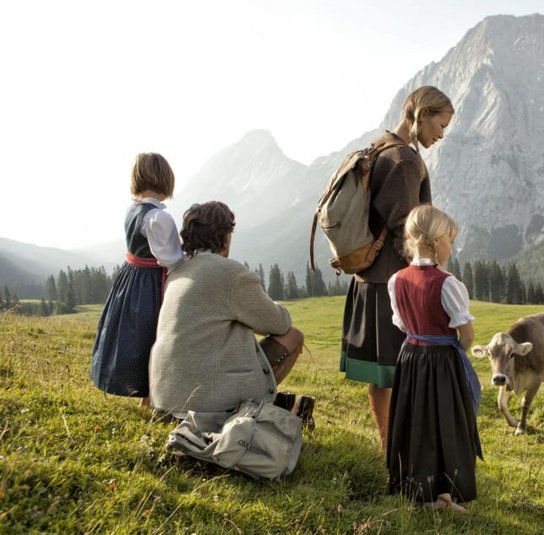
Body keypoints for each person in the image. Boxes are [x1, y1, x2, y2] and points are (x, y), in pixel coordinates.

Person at [340, 86, 455, 449]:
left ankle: (391, 445)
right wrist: (427, 279)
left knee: (384, 374)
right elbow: (408, 229)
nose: (441, 134)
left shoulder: (380, 145)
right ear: (422, 114)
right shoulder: (405, 160)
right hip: (392, 282)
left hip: (370, 279)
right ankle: (398, 449)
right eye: (441, 123)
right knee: (401, 371)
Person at [148, 201, 304, 417]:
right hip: (207, 402)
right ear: (226, 236)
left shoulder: (177, 273)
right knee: (293, 336)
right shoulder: (231, 273)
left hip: (165, 398)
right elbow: (280, 323)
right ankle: (256, 408)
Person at [386, 204, 482, 512]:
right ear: (438, 241)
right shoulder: (448, 284)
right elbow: (467, 336)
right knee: (446, 424)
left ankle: (421, 490)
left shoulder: (396, 279)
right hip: (441, 360)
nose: (451, 249)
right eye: (450, 242)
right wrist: (456, 354)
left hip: (411, 357)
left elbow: (401, 323)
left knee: (416, 422)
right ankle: (443, 494)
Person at [91, 152, 184, 403]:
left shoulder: (133, 210)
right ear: (166, 180)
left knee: (135, 335)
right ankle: (152, 395)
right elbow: (171, 258)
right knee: (153, 335)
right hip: (151, 283)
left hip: (131, 278)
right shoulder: (158, 218)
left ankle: (146, 395)